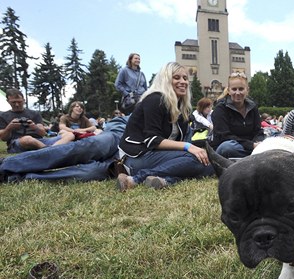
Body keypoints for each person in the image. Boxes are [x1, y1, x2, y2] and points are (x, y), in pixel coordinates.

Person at [116, 62, 214, 192]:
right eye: (176, 77)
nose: (183, 82)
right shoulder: (155, 99)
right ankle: (136, 178)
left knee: (209, 164)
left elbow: (179, 143)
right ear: (166, 80)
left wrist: (198, 148)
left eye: (185, 78)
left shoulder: (181, 108)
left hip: (159, 157)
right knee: (194, 159)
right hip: (137, 157)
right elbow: (153, 140)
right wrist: (188, 147)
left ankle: (164, 180)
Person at [0, 116, 128, 182]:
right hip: (119, 136)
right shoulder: (143, 110)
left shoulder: (84, 120)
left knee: (92, 172)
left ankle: (17, 178)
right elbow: (118, 122)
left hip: (126, 159)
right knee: (89, 146)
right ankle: (5, 164)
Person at [0, 88, 74, 153]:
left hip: (39, 140)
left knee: (69, 134)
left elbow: (42, 133)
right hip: (17, 143)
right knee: (27, 139)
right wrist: (9, 127)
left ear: (24, 100)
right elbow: (3, 138)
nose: (17, 104)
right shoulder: (3, 116)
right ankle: (50, 150)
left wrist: (34, 127)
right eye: (13, 102)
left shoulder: (34, 114)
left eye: (19, 102)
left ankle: (49, 149)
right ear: (8, 101)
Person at [210, 72, 265, 158]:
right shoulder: (220, 109)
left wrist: (259, 142)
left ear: (247, 90)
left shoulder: (253, 107)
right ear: (228, 90)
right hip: (230, 146)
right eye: (234, 89)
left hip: (250, 146)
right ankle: (254, 156)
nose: (238, 93)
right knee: (227, 147)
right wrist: (252, 146)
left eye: (241, 89)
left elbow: (258, 131)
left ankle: (254, 155)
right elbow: (224, 136)